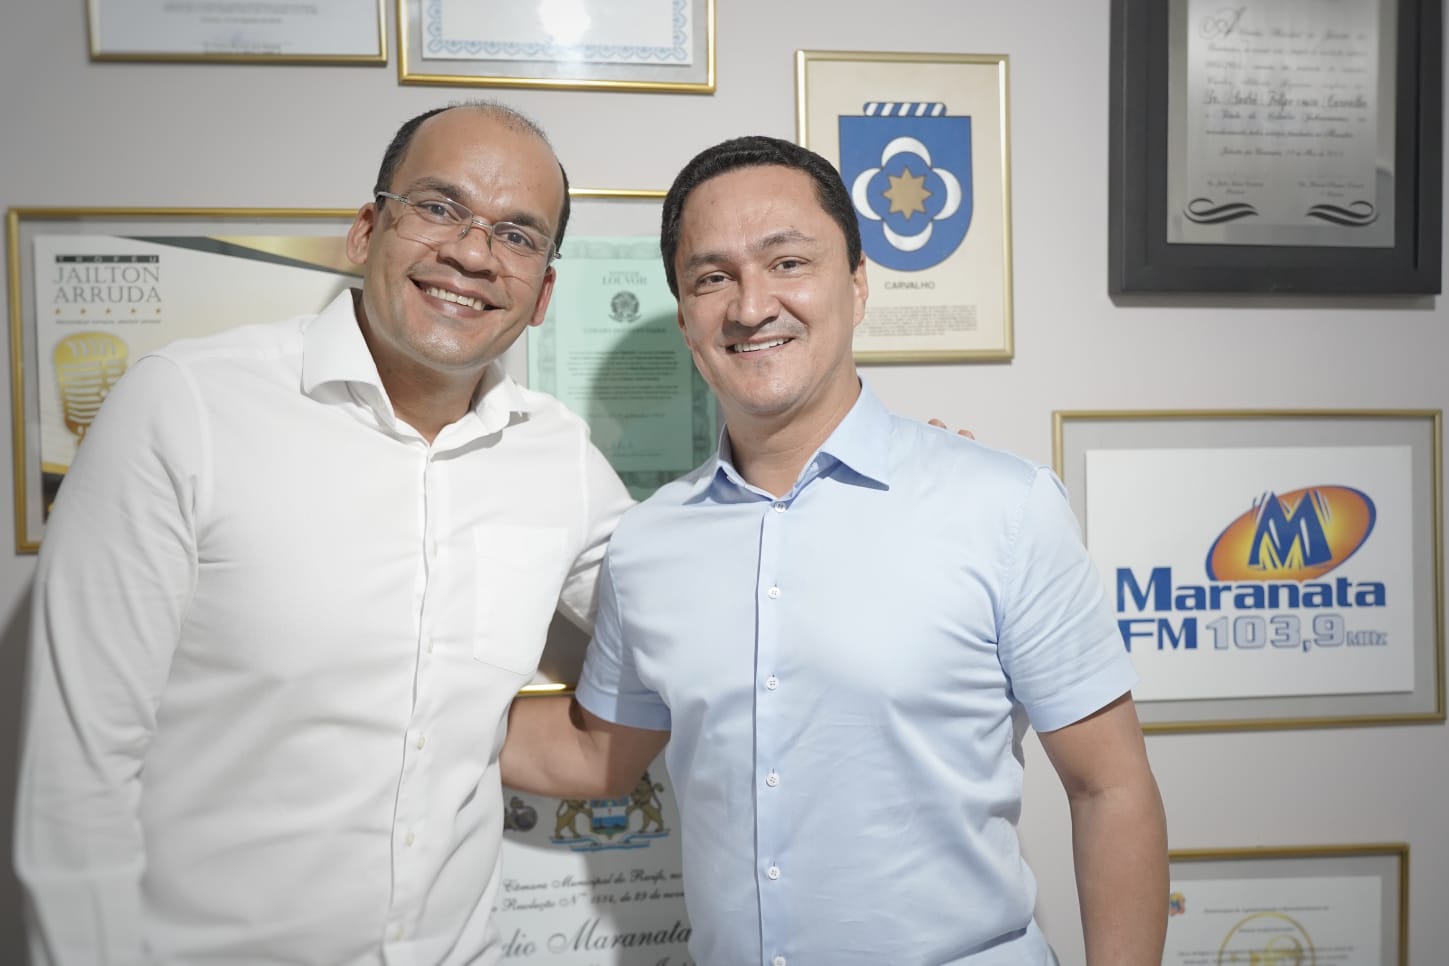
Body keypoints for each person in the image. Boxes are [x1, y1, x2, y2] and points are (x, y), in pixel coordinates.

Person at [500, 135, 1170, 964]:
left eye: (787, 262)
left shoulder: (1001, 506)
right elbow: (597, 752)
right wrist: (391, 713)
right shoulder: (648, 542)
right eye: (712, 278)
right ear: (685, 318)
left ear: (856, 283)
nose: (751, 306)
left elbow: (1109, 787)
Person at [14, 102, 635, 964]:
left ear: (543, 295)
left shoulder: (558, 455)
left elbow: (681, 617)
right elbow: (77, 774)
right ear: (365, 230)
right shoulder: (185, 408)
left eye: (518, 235)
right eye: (439, 207)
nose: (472, 253)